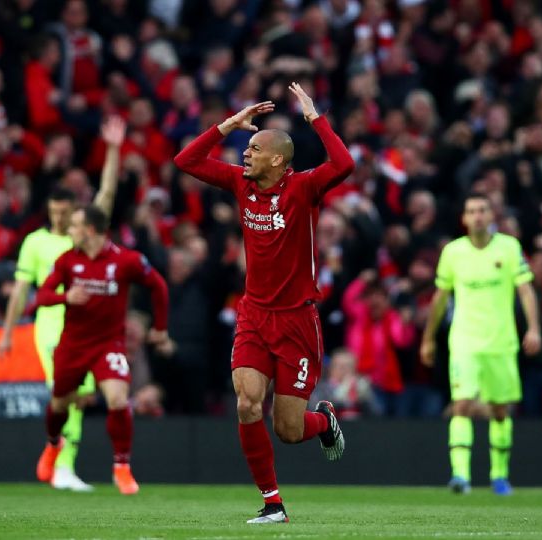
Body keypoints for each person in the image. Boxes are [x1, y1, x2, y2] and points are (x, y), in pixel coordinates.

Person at [173, 82, 352, 524]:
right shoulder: (240, 183)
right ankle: (273, 504)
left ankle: (324, 422)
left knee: (289, 429)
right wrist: (227, 125)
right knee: (247, 402)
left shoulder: (305, 188)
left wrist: (316, 119)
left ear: (278, 159)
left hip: (296, 321)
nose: (244, 154)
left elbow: (344, 163)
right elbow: (186, 161)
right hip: (253, 314)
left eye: (253, 148)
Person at [0, 116, 125, 492]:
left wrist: (114, 151)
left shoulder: (82, 239)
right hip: (52, 327)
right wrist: (7, 333)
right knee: (66, 394)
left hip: (86, 327)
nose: (58, 219)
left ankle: (59, 458)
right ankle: (62, 466)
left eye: (63, 214)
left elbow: (107, 195)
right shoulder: (35, 243)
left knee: (81, 398)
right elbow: (21, 290)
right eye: (53, 213)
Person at [34, 205, 169, 495]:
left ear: (90, 230)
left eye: (74, 226)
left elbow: (158, 286)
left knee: (118, 400)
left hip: (109, 343)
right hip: (72, 345)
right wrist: (65, 296)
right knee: (59, 404)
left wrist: (160, 327)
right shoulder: (67, 261)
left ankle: (122, 466)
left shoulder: (125, 260)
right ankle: (53, 443)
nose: (69, 231)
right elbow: (41, 296)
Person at [421, 192, 541, 496]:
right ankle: (460, 475)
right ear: (464, 218)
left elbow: (526, 291)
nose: (476, 216)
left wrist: (534, 329)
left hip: (501, 342)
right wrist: (428, 338)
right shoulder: (453, 252)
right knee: (461, 404)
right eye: (471, 211)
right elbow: (439, 298)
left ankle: (499, 477)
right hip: (464, 341)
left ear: (491, 216)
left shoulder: (510, 248)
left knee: (500, 411)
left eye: (482, 210)